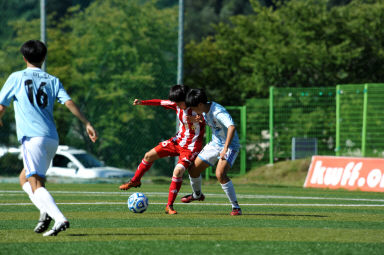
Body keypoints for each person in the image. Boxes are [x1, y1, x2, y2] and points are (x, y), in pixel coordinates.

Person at [0, 40, 98, 236]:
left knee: (34, 183)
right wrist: (86, 123)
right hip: (51, 139)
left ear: (24, 57)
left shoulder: (16, 77)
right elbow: (68, 102)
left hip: (32, 138)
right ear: (44, 58)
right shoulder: (52, 80)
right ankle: (45, 212)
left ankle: (59, 218)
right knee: (26, 179)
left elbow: (1, 106)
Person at [119, 85, 205, 214]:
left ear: (186, 99)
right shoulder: (177, 104)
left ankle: (169, 206)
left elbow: (205, 118)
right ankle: (135, 181)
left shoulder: (197, 108)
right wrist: (142, 102)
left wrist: (198, 119)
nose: (176, 104)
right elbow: (159, 102)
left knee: (178, 171)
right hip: (176, 141)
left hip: (191, 147)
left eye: (178, 102)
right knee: (148, 155)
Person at [183, 88, 242, 216]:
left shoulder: (218, 111)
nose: (193, 111)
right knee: (193, 170)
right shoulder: (204, 108)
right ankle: (197, 195)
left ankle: (236, 207)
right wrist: (197, 119)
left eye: (194, 108)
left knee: (220, 174)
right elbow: (205, 118)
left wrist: (225, 148)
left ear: (199, 105)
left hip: (230, 146)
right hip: (215, 144)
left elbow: (231, 127)